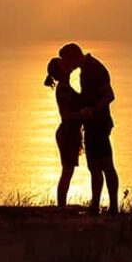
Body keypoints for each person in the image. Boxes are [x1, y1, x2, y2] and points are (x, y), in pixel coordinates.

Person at [58, 42, 119, 214]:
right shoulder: (84, 72)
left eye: (67, 60)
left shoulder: (95, 69)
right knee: (94, 167)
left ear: (74, 57)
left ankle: (113, 206)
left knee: (106, 165)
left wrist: (92, 110)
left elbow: (109, 96)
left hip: (99, 123)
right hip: (91, 125)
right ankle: (95, 205)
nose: (67, 65)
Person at [44, 57, 85, 208]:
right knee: (67, 171)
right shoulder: (63, 88)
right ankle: (61, 207)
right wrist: (83, 114)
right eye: (64, 65)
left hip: (70, 132)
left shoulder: (66, 86)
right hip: (67, 133)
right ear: (60, 71)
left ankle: (62, 206)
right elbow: (66, 115)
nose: (68, 66)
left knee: (68, 171)